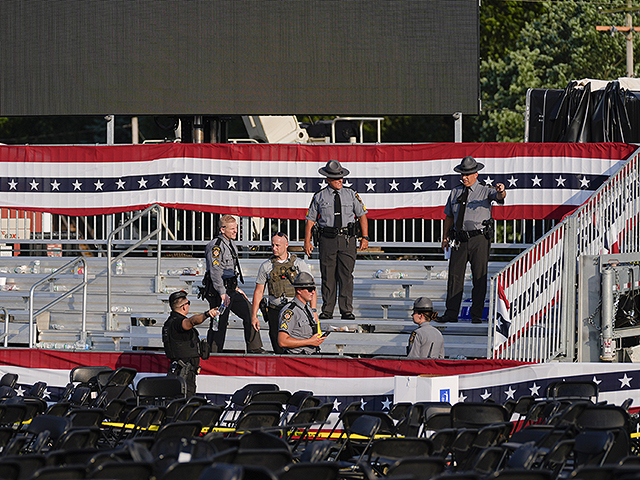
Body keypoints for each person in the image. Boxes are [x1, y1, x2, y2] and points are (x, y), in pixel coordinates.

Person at [438, 156, 506, 324]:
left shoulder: (485, 190)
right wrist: (445, 236)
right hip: (459, 239)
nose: (464, 177)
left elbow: (499, 197)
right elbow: (449, 216)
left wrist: (501, 190)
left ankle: (476, 314)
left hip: (479, 239)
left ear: (476, 174)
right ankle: (451, 313)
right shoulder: (455, 192)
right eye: (462, 174)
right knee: (455, 277)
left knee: (479, 277)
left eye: (467, 174)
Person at [304, 159, 369, 320]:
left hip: (347, 239)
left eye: (341, 177)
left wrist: (365, 237)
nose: (340, 180)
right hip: (327, 239)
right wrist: (307, 241)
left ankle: (346, 310)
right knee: (328, 276)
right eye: (335, 178)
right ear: (327, 179)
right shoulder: (319, 196)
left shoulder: (351, 194)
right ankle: (327, 310)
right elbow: (310, 220)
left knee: (346, 275)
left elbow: (362, 216)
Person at [202, 214, 265, 353]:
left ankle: (255, 348)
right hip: (219, 291)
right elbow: (215, 272)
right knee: (219, 322)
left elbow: (229, 270)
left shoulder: (230, 242)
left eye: (236, 228)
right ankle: (213, 352)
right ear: (222, 229)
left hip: (230, 289)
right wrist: (222, 293)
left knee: (250, 312)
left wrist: (235, 288)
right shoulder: (216, 247)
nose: (235, 231)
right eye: (232, 229)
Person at [251, 232, 317, 354]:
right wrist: (254, 315)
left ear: (286, 245)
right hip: (275, 309)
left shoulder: (299, 264)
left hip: (296, 310)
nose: (274, 248)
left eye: (277, 245)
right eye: (272, 245)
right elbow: (259, 291)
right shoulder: (266, 266)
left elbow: (311, 287)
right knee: (277, 345)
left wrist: (313, 310)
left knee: (296, 344)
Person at [162, 290, 218, 397]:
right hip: (184, 374)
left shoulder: (169, 323)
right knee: (184, 404)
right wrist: (207, 314)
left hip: (179, 372)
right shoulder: (177, 323)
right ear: (184, 306)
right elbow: (191, 321)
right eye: (188, 303)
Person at [278, 272, 327, 355]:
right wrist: (310, 342)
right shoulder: (290, 311)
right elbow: (282, 341)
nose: (313, 292)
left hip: (310, 356)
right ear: (299, 290)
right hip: (296, 358)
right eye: (310, 289)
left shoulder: (308, 308)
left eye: (314, 289)